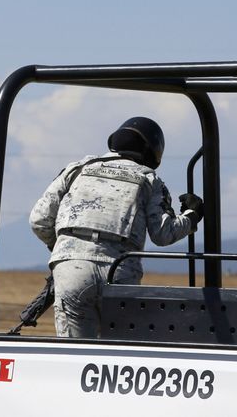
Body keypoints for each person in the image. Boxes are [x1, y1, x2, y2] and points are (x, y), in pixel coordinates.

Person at [29, 116, 203, 338]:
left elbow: (39, 220)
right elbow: (163, 234)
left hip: (72, 271)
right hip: (120, 272)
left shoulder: (78, 169)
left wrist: (66, 248)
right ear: (153, 152)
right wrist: (192, 215)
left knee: (75, 355)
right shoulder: (149, 178)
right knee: (118, 354)